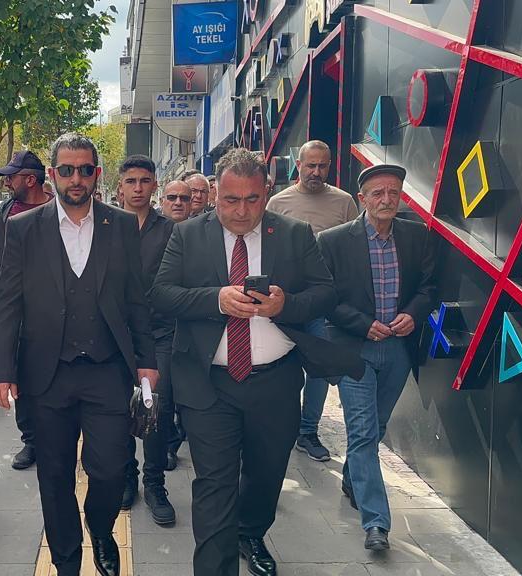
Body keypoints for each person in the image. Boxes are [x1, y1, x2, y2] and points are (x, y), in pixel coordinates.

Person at [151, 148, 361, 576]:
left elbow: (326, 293)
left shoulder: (294, 234)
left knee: (266, 476)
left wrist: (286, 304)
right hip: (209, 384)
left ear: (266, 193)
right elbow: (161, 295)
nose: (242, 211)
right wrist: (216, 298)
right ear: (215, 194)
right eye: (231, 200)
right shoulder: (188, 236)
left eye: (252, 199)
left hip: (275, 383)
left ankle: (250, 532)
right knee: (214, 487)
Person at [0, 133, 158, 576]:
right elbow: (8, 303)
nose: (76, 178)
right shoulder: (23, 228)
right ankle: (65, 558)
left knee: (111, 468)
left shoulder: (122, 225)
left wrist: (147, 362)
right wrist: (1, 370)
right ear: (52, 174)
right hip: (46, 374)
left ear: (97, 174)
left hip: (107, 370)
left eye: (85, 169)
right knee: (54, 474)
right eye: (67, 170)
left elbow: (136, 300)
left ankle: (100, 529)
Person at [317, 164, 436, 551]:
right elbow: (325, 297)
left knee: (376, 425)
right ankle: (377, 523)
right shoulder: (333, 241)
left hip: (398, 350)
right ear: (362, 199)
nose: (387, 200)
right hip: (354, 348)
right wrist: (362, 324)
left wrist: (413, 314)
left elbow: (429, 288)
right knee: (364, 432)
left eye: (394, 193)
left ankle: (353, 477)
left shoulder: (416, 236)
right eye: (378, 193)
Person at [266, 140, 360, 462]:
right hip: (285, 301)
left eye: (322, 166)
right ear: (299, 165)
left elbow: (352, 250)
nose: (316, 172)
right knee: (281, 365)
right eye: (310, 165)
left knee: (319, 367)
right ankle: (281, 425)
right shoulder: (278, 202)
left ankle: (308, 431)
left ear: (330, 166)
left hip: (323, 303)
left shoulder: (344, 202)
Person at [117, 155, 178, 525]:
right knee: (120, 406)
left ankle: (155, 483)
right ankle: (127, 475)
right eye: (131, 181)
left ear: (155, 185)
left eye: (144, 181)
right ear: (120, 186)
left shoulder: (170, 230)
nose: (138, 188)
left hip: (159, 332)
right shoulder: (106, 226)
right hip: (116, 333)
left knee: (157, 405)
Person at [0, 149, 52, 470]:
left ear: (30, 180)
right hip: (19, 309)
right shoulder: (5, 212)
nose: (7, 183)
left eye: (11, 177)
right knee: (24, 378)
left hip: (55, 310)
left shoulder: (60, 210)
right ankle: (31, 440)